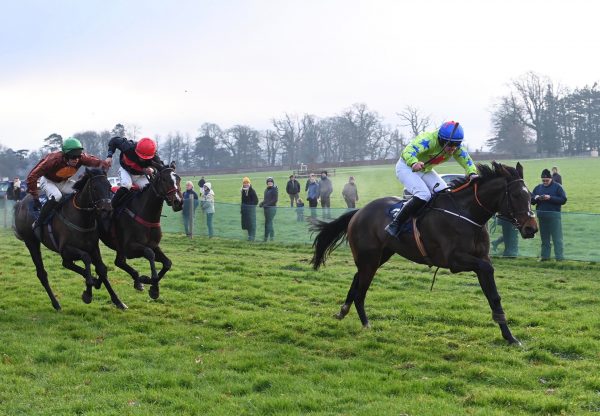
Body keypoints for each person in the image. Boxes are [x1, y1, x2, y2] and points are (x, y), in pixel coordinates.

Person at [385, 121, 478, 237]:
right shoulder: (428, 140)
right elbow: (407, 151)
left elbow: (466, 160)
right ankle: (395, 224)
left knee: (445, 193)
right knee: (424, 195)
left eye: (456, 145)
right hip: (406, 168)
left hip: (425, 170)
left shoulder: (455, 146)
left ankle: (435, 222)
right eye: (450, 145)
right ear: (441, 140)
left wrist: (472, 173)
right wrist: (413, 162)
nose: (453, 149)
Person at [27, 137, 108, 235]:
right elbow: (32, 176)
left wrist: (104, 166)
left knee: (82, 191)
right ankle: (38, 223)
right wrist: (35, 198)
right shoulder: (52, 160)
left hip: (64, 182)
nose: (76, 160)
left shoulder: (81, 158)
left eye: (78, 156)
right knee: (57, 196)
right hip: (48, 181)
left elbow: (98, 162)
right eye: (73, 157)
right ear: (65, 155)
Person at [104, 136, 164, 206]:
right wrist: (109, 156)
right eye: (140, 156)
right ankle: (112, 207)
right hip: (125, 171)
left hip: (140, 175)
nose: (142, 159)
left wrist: (152, 170)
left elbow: (160, 168)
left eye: (145, 158)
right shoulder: (128, 146)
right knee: (127, 184)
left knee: (151, 190)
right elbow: (114, 141)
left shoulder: (154, 157)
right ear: (136, 149)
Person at [531, 168, 567, 261]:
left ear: (551, 179)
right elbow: (531, 200)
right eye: (543, 180)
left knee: (557, 238)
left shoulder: (558, 187)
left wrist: (550, 198)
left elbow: (563, 200)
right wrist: (537, 198)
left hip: (554, 217)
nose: (545, 182)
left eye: (547, 180)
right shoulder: (538, 188)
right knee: (544, 239)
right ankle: (545, 257)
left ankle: (559, 258)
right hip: (542, 217)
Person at [259, 177, 278, 242]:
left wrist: (267, 205)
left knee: (268, 223)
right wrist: (262, 203)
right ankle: (270, 237)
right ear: (267, 183)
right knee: (269, 223)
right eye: (268, 182)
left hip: (272, 209)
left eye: (271, 182)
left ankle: (266, 237)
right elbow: (265, 200)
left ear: (273, 183)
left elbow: (275, 200)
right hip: (266, 209)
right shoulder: (266, 190)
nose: (270, 183)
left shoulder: (274, 189)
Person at [241, 177, 258, 241]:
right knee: (247, 225)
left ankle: (252, 238)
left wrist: (249, 205)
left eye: (247, 183)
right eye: (244, 183)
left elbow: (256, 201)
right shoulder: (243, 191)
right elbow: (243, 201)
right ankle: (249, 237)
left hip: (251, 211)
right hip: (245, 212)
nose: (246, 184)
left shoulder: (252, 191)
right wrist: (242, 209)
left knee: (252, 225)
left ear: (249, 183)